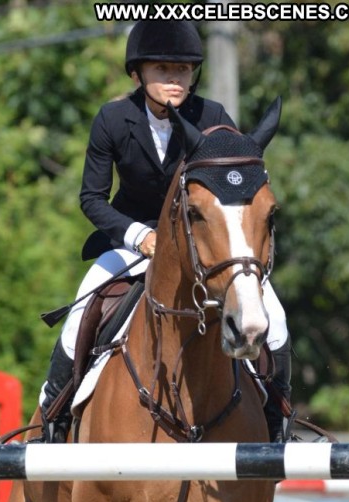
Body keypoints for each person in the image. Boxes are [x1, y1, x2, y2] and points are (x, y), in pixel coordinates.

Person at [38, 19, 292, 444]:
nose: (175, 79)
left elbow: (233, 190)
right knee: (80, 315)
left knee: (276, 319)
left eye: (183, 70)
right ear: (137, 74)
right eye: (162, 69)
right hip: (132, 242)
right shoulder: (113, 119)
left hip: (205, 244)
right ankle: (53, 417)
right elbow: (92, 199)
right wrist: (139, 236)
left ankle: (277, 419)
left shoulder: (213, 117)